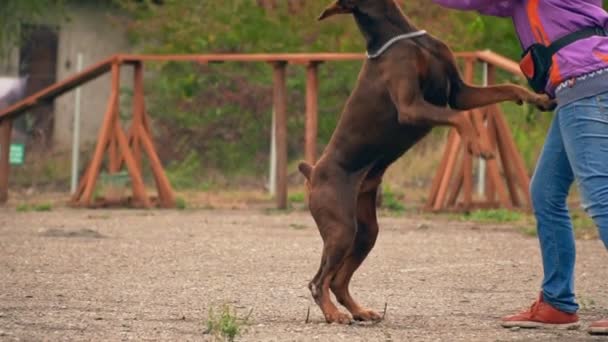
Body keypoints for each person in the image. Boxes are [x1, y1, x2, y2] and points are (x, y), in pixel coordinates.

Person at [432, 0, 608, 334]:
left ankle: (557, 301)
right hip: (579, 87)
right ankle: (557, 303)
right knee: (545, 192)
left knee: (601, 196)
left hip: (587, 85)